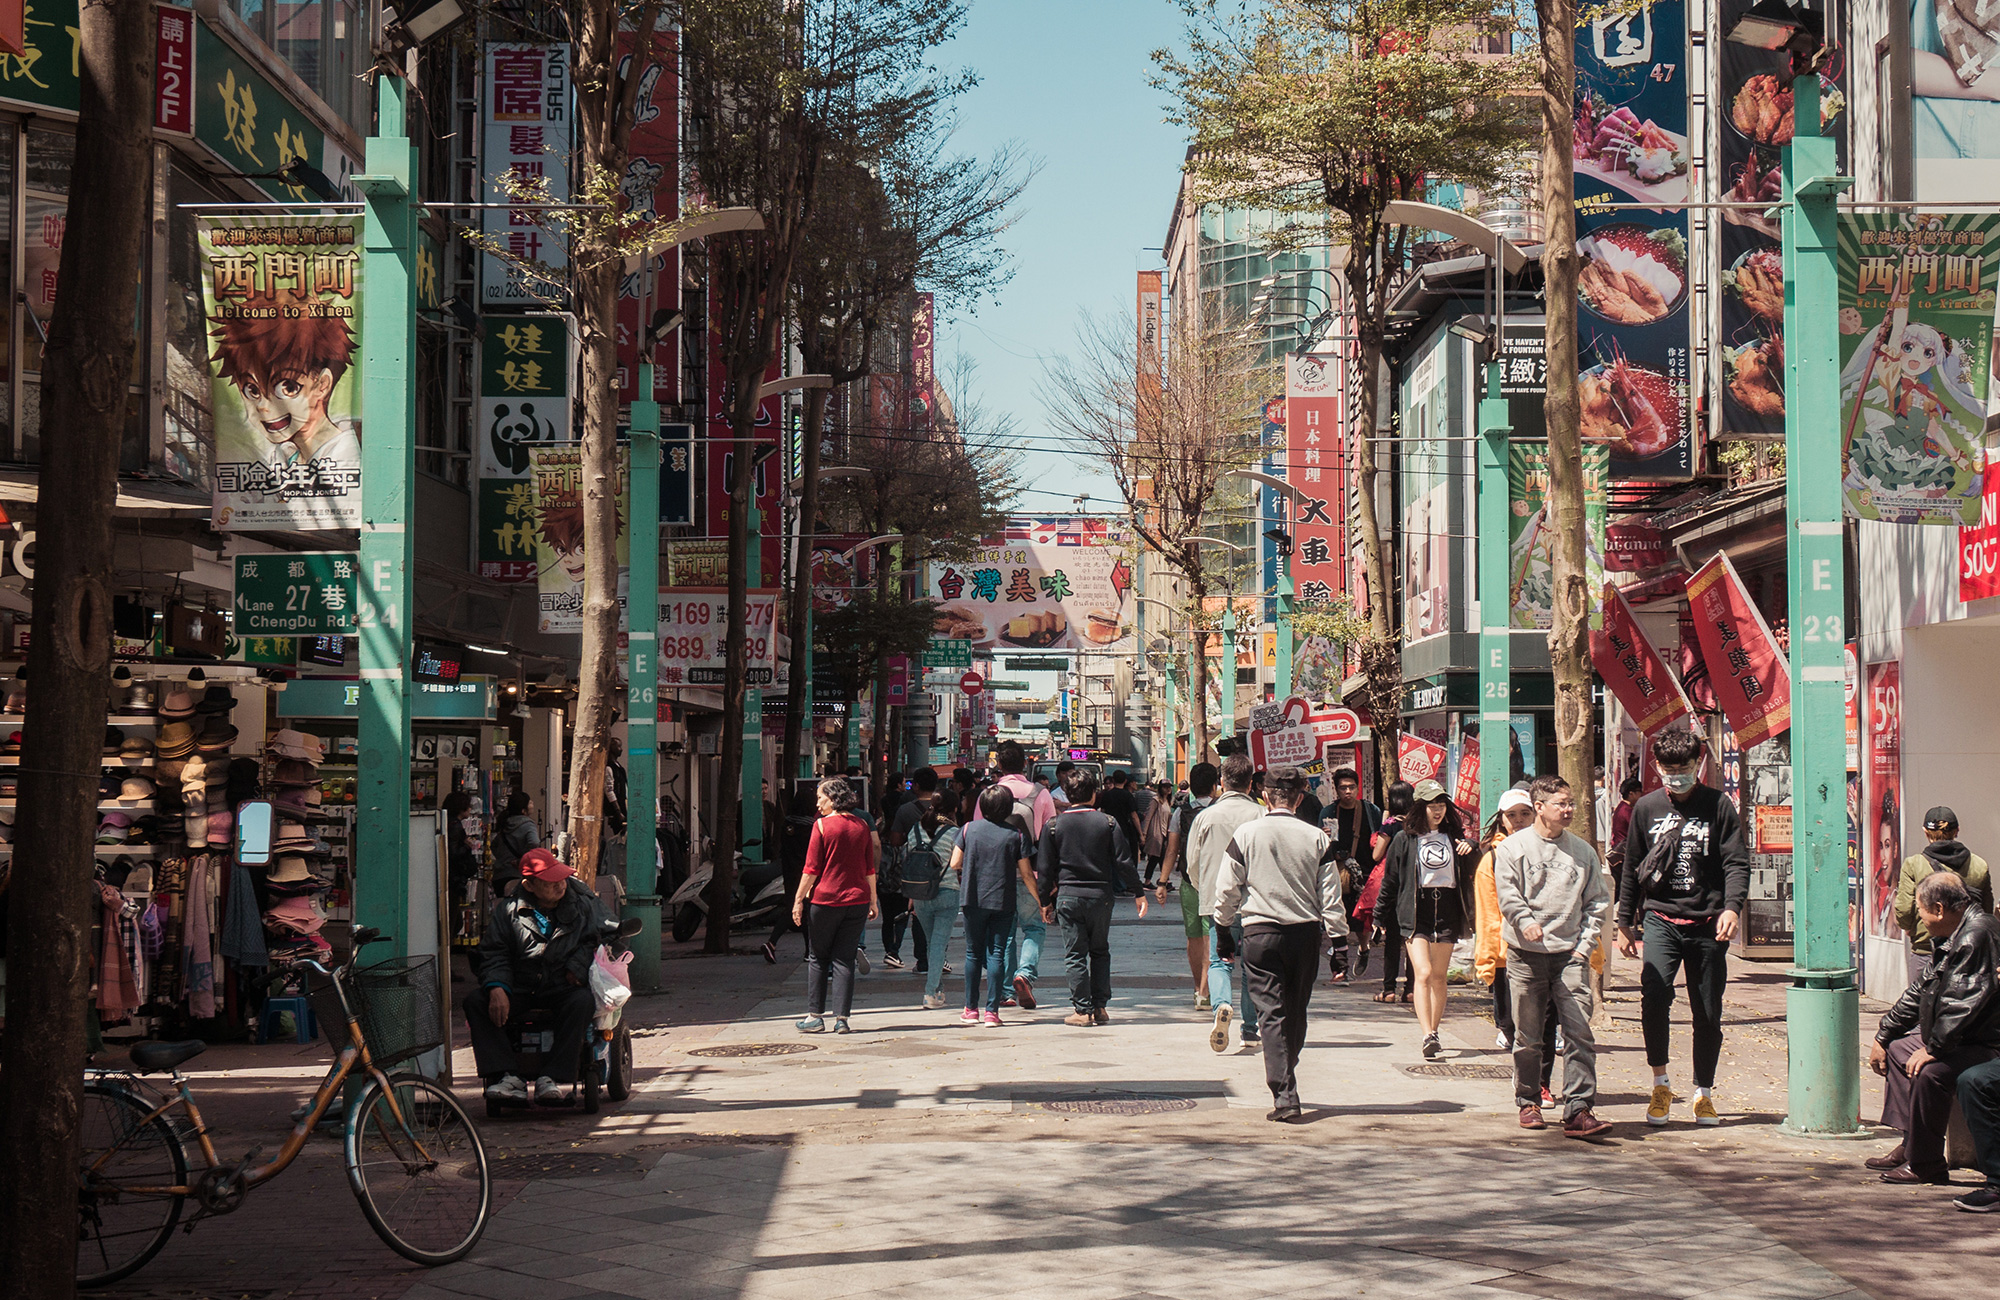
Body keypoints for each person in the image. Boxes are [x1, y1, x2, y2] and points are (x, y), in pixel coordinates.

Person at [1617, 727, 1749, 1125]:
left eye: (1684, 768)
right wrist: (1625, 922)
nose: (1676, 775)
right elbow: (1631, 868)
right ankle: (1660, 1083)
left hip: (1708, 922)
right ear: (1657, 768)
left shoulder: (1718, 805)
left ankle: (1703, 1092)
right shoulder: (1647, 808)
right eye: (1669, 769)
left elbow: (1736, 862)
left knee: (1707, 1009)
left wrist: (1732, 907)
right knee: (1655, 996)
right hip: (1660, 918)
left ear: (1698, 765)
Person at [1211, 766, 1346, 1121]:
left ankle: (1284, 1093)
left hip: (1259, 934)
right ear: (1301, 797)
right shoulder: (1317, 838)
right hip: (1304, 935)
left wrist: (1224, 932)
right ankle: (1287, 1077)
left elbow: (1226, 890)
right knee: (1296, 1010)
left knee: (1270, 1013)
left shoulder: (1246, 834)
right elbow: (1330, 895)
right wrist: (1340, 943)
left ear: (1265, 795)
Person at [1494, 776, 1614, 1140]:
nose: (1568, 809)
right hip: (1526, 956)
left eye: (1571, 803)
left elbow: (1597, 902)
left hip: (1570, 956)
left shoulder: (1582, 852)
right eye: (1561, 803)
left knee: (1579, 1033)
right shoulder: (1513, 848)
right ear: (1540, 807)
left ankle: (1578, 1109)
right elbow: (1507, 893)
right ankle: (1528, 1099)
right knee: (1529, 1036)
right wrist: (1525, 922)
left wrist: (1584, 945)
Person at [1865, 870, 2000, 1184]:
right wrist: (1884, 1034)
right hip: (1961, 1037)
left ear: (1939, 909)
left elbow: (1963, 1003)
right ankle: (1912, 1143)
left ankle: (1926, 1163)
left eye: (1921, 911)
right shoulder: (1954, 934)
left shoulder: (1975, 935)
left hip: (1982, 1042)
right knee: (1898, 1050)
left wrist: (1934, 1049)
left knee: (1930, 1073)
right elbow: (1920, 989)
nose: (1920, 919)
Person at [465, 847, 607, 1105]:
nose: (560, 885)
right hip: (520, 986)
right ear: (529, 886)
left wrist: (577, 967)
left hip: (560, 984)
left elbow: (594, 940)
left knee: (582, 1002)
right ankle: (507, 1075)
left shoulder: (581, 905)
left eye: (562, 879)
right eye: (550, 882)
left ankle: (552, 1076)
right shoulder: (508, 912)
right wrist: (497, 987)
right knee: (476, 1001)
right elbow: (494, 952)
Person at [1036, 769, 1148, 1026]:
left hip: (1068, 897)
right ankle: (1100, 1007)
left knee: (1075, 953)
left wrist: (1044, 901)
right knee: (1100, 950)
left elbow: (1045, 869)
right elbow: (1123, 861)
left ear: (1068, 793)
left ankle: (1081, 1010)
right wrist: (1139, 892)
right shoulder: (1108, 823)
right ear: (1094, 794)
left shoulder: (1054, 826)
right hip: (1101, 896)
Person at [1377, 779, 1479, 1060]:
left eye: (1442, 805)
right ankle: (1427, 1034)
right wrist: (1379, 916)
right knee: (1421, 973)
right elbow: (1391, 881)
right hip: (1416, 912)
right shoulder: (1404, 839)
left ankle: (1434, 1030)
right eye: (1432, 806)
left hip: (1446, 911)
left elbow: (1474, 867)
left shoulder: (1454, 837)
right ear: (1419, 808)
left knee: (1438, 976)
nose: (1438, 811)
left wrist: (1471, 846)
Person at [1474, 790, 1555, 1094]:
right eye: (1512, 815)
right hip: (1507, 954)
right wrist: (1489, 957)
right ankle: (1525, 1073)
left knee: (1545, 1021)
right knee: (1510, 1022)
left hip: (1548, 951)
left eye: (1525, 813)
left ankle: (1540, 1084)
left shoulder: (1553, 850)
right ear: (1502, 820)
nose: (1519, 821)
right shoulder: (1491, 859)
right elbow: (1487, 913)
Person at [1187, 754, 1266, 1052]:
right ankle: (1249, 1029)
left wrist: (1204, 889)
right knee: (1251, 966)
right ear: (1250, 783)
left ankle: (1221, 1005)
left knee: (1220, 961)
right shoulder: (1261, 815)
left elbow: (1192, 862)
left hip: (1216, 900)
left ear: (1222, 782)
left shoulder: (1205, 817)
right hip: (1254, 902)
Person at [790, 777, 881, 1034]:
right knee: (844, 959)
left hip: (826, 900)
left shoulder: (821, 827)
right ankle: (842, 1018)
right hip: (858, 900)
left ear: (833, 799)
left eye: (821, 798)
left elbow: (810, 870)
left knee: (819, 957)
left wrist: (798, 899)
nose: (818, 804)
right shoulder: (862, 825)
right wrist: (873, 900)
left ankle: (815, 1016)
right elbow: (869, 868)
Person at [976, 742, 1057, 1009]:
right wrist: (1051, 877)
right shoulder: (1040, 793)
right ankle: (1026, 973)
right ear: (1025, 764)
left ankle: (1008, 991)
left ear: (998, 764)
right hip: (1031, 874)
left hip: (996, 874)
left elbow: (979, 832)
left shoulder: (987, 794)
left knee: (1004, 933)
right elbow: (1049, 837)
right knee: (1034, 926)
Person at [952, 785, 1040, 1025]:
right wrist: (1040, 900)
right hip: (1003, 900)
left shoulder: (968, 829)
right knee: (997, 953)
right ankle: (992, 1012)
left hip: (972, 899)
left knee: (973, 953)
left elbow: (954, 863)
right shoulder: (1016, 835)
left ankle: (970, 1009)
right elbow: (1026, 874)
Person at [1896, 806, 1994, 982]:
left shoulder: (1914, 864)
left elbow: (1903, 909)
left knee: (1919, 1005)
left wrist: (1910, 929)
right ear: (1957, 831)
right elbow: (1985, 910)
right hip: (1969, 950)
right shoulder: (1979, 865)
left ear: (1925, 831)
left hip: (1927, 950)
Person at [1161, 763, 1219, 1008]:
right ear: (1215, 786)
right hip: (1217, 881)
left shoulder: (1179, 813)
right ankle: (1206, 990)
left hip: (1188, 881)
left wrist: (1162, 882)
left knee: (1194, 937)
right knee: (1210, 937)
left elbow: (1172, 851)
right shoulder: (1220, 811)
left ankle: (1199, 988)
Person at [907, 788, 965, 1010]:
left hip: (921, 893)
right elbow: (958, 863)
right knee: (939, 944)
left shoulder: (915, 830)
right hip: (947, 891)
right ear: (954, 808)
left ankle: (937, 989)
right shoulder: (955, 832)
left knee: (932, 943)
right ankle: (931, 992)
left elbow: (908, 857)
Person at [1321, 768, 1383, 977]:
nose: (1347, 791)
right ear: (1336, 790)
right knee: (1337, 916)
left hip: (1364, 871)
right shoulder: (1328, 812)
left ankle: (1363, 949)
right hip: (1336, 871)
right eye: (1343, 788)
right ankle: (1341, 962)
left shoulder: (1370, 810)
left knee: (1362, 917)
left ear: (1358, 787)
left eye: (1351, 787)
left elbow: (1380, 836)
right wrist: (1323, 836)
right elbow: (1318, 843)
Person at [880, 768, 941, 972]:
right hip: (940, 868)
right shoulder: (944, 807)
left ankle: (895, 951)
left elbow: (896, 840)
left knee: (911, 910)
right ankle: (929, 957)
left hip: (911, 868)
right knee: (935, 915)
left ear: (915, 786)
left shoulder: (905, 810)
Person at [1360, 781, 1415, 1002]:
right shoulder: (1417, 824)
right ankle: (1411, 989)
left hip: (1392, 885)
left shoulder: (1391, 824)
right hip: (1413, 885)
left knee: (1392, 940)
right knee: (1412, 940)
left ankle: (1389, 989)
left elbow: (1376, 856)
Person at [491, 790, 541, 896]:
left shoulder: (505, 822)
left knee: (503, 908)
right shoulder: (528, 824)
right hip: (517, 875)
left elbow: (494, 845)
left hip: (500, 875)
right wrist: (523, 860)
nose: (532, 803)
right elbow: (534, 843)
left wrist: (504, 858)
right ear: (523, 810)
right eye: (530, 802)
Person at [1098, 770, 1142, 868]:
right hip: (1125, 830)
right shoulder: (1128, 795)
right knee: (1125, 856)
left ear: (1113, 780)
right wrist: (1140, 834)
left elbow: (1103, 812)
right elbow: (1134, 816)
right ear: (1125, 781)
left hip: (1109, 829)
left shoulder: (1107, 795)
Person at [1139, 779, 1173, 889]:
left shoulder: (1167, 801)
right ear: (1160, 788)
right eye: (1165, 787)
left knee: (1156, 858)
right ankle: (1164, 881)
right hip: (1156, 834)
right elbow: (1148, 817)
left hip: (1164, 834)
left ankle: (1150, 881)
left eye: (1169, 787)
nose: (1168, 789)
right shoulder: (1155, 800)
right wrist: (1144, 834)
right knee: (1159, 857)